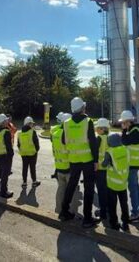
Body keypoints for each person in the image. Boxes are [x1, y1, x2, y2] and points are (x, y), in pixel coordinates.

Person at [59, 97, 99, 228]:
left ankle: (64, 212)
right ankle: (87, 218)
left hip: (74, 160)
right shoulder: (88, 122)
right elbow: (93, 143)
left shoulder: (66, 123)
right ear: (82, 108)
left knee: (71, 186)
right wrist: (96, 160)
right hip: (87, 160)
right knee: (88, 188)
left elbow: (64, 141)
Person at [120, 110, 139, 220]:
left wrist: (123, 131)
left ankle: (135, 213)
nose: (123, 124)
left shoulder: (135, 130)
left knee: (132, 190)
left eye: (124, 122)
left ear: (128, 121)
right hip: (131, 164)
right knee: (136, 188)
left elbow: (125, 141)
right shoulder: (132, 130)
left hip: (132, 165)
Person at [101, 133, 130, 232]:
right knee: (124, 203)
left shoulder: (110, 152)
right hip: (123, 182)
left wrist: (102, 162)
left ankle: (114, 224)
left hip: (112, 184)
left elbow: (104, 164)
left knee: (112, 205)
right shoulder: (125, 149)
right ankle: (125, 223)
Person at [52, 112, 79, 214]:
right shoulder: (70, 134)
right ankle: (72, 212)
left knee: (61, 189)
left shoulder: (55, 134)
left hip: (59, 167)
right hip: (70, 167)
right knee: (73, 191)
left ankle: (58, 209)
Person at [94, 117, 110, 221]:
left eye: (98, 128)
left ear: (103, 129)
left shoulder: (99, 138)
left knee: (101, 191)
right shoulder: (109, 138)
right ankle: (107, 209)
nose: (96, 129)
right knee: (107, 190)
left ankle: (102, 213)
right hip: (107, 169)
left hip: (99, 168)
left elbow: (95, 152)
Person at [18, 116, 40, 187]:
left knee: (24, 168)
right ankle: (34, 181)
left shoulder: (20, 133)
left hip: (23, 154)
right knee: (32, 168)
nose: (32, 125)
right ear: (29, 124)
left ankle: (24, 182)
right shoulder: (32, 132)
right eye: (31, 124)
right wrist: (36, 150)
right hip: (32, 153)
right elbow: (36, 143)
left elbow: (18, 144)